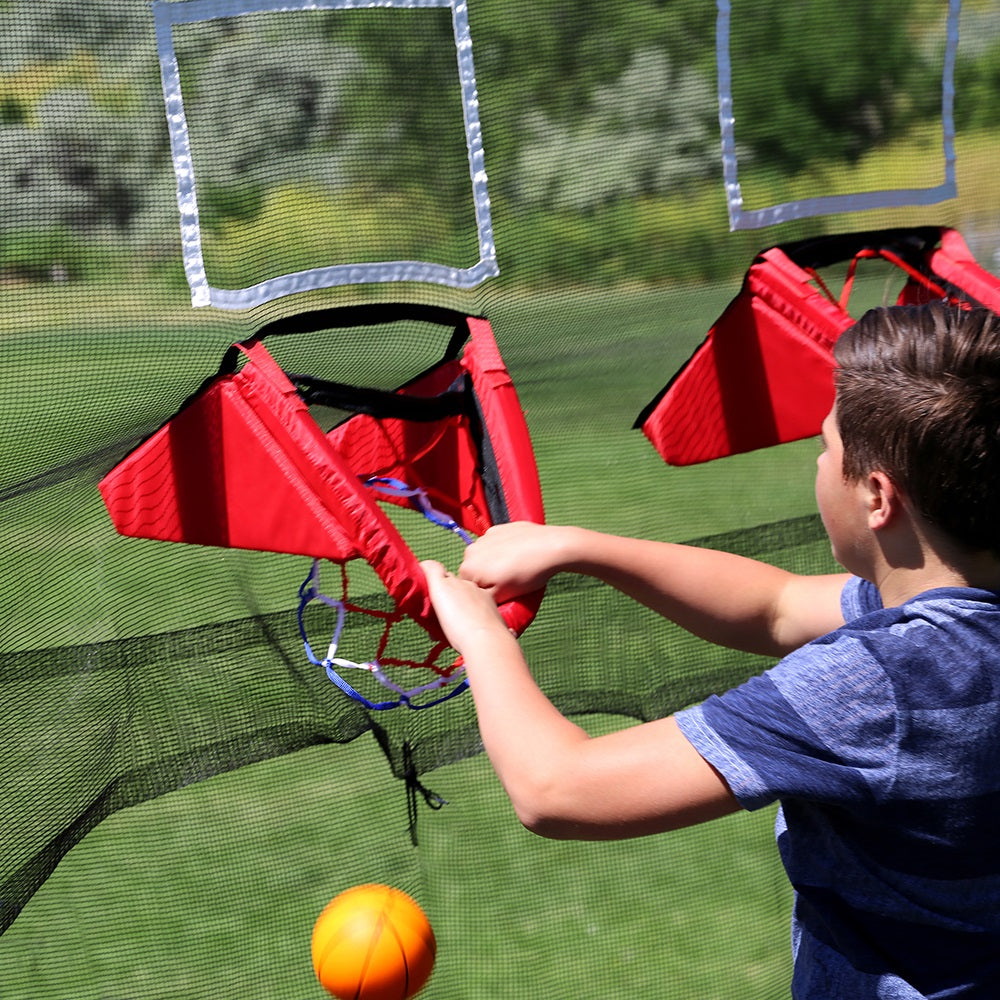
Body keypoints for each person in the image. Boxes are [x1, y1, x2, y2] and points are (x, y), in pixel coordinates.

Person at [421, 301, 1000, 999]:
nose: (818, 467)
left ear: (879, 496)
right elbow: (778, 605)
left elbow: (557, 788)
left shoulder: (876, 686)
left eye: (826, 449)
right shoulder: (960, 618)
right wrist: (579, 548)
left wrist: (478, 631)